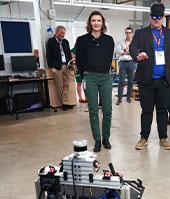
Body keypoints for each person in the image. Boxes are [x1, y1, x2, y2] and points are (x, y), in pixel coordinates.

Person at [129, 3, 170, 151]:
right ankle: (144, 138)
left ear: (163, 18)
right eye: (154, 17)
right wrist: (137, 54)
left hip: (165, 80)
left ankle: (163, 138)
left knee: (162, 110)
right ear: (150, 17)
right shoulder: (141, 33)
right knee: (146, 110)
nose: (156, 20)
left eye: (159, 17)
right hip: (146, 80)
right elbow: (132, 48)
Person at [75, 11, 115, 152]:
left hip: (105, 77)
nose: (96, 23)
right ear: (89, 23)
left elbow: (109, 58)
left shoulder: (109, 40)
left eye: (99, 20)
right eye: (93, 20)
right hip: (90, 77)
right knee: (93, 110)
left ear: (102, 23)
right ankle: (97, 139)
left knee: (107, 110)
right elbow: (79, 60)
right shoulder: (82, 40)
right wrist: (84, 74)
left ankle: (106, 138)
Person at [46, 25, 72, 110]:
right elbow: (48, 56)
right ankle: (64, 103)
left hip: (66, 65)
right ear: (57, 32)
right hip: (57, 67)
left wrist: (70, 64)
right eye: (61, 33)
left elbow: (68, 53)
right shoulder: (51, 42)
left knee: (66, 85)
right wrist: (52, 67)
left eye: (64, 33)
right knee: (60, 85)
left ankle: (65, 102)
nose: (63, 35)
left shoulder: (66, 42)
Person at [115, 27, 136, 105]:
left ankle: (128, 98)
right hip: (123, 63)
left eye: (129, 33)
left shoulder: (134, 42)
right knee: (121, 81)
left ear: (132, 34)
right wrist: (125, 51)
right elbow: (117, 50)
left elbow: (136, 51)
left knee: (130, 81)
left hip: (131, 62)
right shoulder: (120, 42)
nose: (128, 34)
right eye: (127, 32)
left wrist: (128, 52)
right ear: (125, 33)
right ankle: (119, 99)